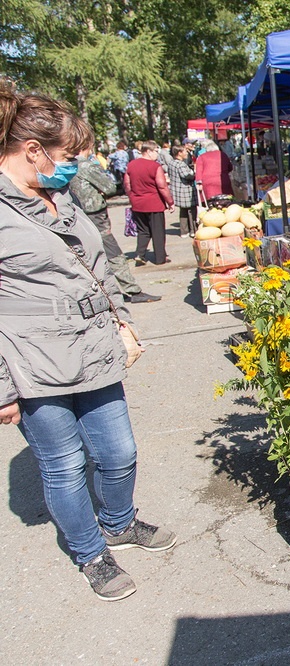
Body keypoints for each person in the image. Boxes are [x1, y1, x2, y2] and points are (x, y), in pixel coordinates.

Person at [0, 82, 175, 601]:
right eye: (70, 156)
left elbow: (96, 268)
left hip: (94, 349)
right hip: (33, 364)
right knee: (65, 464)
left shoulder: (61, 195)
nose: (78, 164)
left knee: (118, 451)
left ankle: (119, 523)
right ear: (33, 152)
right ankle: (90, 553)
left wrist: (121, 320)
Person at [69, 147, 161, 303]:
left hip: (77, 213)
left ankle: (99, 291)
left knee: (87, 254)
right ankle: (132, 290)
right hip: (95, 214)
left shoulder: (66, 165)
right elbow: (109, 187)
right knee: (113, 253)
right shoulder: (86, 165)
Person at [124, 140, 174, 265]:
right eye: (156, 151)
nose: (157, 154)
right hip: (154, 203)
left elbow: (127, 184)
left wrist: (132, 197)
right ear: (149, 151)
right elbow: (162, 186)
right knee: (158, 231)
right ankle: (160, 258)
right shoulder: (155, 166)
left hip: (137, 203)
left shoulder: (131, 165)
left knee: (143, 230)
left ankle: (140, 254)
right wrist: (170, 202)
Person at [166, 144, 197, 237]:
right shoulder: (180, 164)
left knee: (183, 211)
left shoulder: (171, 163)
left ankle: (184, 231)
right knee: (191, 210)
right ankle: (193, 230)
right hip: (185, 190)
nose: (186, 153)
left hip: (177, 189)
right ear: (179, 153)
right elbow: (187, 176)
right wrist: (194, 174)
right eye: (184, 151)